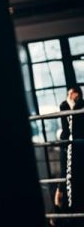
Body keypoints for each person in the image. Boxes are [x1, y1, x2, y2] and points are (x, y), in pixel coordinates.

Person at [54, 86, 84, 226]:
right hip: (70, 162)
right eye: (69, 94)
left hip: (75, 158)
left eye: (72, 93)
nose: (70, 95)